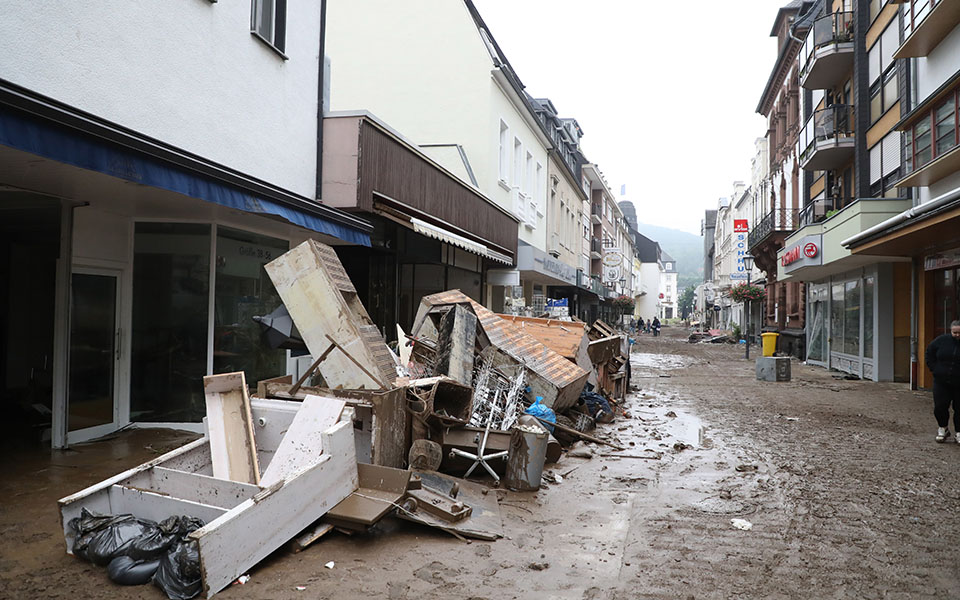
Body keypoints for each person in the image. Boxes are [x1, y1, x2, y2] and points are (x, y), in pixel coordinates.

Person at [924, 319, 960, 443]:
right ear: (950, 331)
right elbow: (929, 352)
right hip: (941, 381)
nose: (957, 335)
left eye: (959, 333)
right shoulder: (941, 341)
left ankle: (959, 432)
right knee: (940, 406)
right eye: (954, 332)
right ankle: (943, 428)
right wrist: (935, 369)